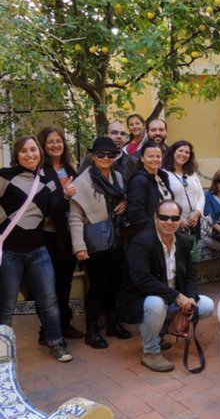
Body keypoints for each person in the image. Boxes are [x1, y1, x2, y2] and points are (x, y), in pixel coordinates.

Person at [117, 200, 214, 372]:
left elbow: (191, 274)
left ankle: (160, 332)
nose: (169, 222)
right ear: (155, 218)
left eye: (174, 218)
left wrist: (190, 297)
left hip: (171, 298)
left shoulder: (183, 241)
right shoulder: (141, 242)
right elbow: (143, 280)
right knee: (156, 304)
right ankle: (150, 352)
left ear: (179, 220)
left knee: (206, 306)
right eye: (164, 217)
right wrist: (177, 297)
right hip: (141, 298)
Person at [0, 136, 74, 362]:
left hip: (38, 252)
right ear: (17, 154)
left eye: (34, 150)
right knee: (6, 304)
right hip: (10, 252)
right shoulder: (4, 176)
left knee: (49, 300)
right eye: (24, 150)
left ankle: (55, 342)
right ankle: (3, 348)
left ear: (40, 153)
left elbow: (53, 210)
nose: (30, 154)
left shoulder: (47, 178)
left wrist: (65, 195)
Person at [69, 137, 131, 349]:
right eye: (101, 154)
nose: (106, 158)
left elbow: (122, 197)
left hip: (116, 238)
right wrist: (79, 247)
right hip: (94, 241)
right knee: (97, 286)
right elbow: (75, 217)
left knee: (114, 283)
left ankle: (113, 321)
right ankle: (92, 328)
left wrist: (125, 202)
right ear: (93, 156)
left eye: (110, 154)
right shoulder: (82, 182)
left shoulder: (118, 178)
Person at [36, 127, 83, 342]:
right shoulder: (39, 171)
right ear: (43, 146)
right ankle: (47, 330)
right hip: (47, 236)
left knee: (64, 283)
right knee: (47, 285)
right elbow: (41, 204)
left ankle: (64, 323)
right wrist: (63, 195)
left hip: (68, 234)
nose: (55, 145)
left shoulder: (70, 168)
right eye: (50, 142)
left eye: (59, 141)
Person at [126, 140, 173, 238]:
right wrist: (155, 230)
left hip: (165, 232)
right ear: (142, 158)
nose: (155, 159)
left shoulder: (163, 177)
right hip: (148, 235)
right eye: (150, 156)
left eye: (158, 156)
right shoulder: (139, 180)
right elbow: (136, 214)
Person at [163, 140, 205, 239]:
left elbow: (201, 195)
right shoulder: (164, 174)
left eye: (187, 152)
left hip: (194, 221)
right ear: (173, 152)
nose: (183, 154)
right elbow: (164, 199)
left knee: (193, 252)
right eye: (180, 151)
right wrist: (179, 219)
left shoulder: (192, 173)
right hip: (175, 221)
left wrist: (197, 212)